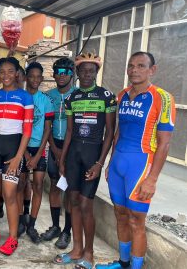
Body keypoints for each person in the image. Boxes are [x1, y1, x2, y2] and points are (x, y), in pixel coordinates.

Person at [96, 52, 176, 269]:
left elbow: (165, 143)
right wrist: (111, 162)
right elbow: (118, 132)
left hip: (140, 165)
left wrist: (152, 179)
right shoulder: (121, 95)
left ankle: (136, 267)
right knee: (120, 215)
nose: (134, 70)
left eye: (141, 66)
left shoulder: (162, 98)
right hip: (118, 164)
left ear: (152, 70)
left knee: (136, 220)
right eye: (131, 66)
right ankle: (123, 263)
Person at [53, 52, 116, 269]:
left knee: (86, 204)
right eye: (83, 70)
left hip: (92, 156)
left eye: (91, 70)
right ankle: (77, 248)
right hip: (73, 157)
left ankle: (89, 253)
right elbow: (69, 131)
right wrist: (62, 160)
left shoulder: (107, 96)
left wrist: (100, 163)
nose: (87, 74)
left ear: (97, 72)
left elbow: (109, 133)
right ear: (77, 73)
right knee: (73, 202)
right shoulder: (72, 98)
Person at [0, 57, 34, 256]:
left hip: (14, 149)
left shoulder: (25, 97)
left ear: (17, 73)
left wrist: (18, 157)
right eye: (2, 71)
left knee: (10, 194)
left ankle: (12, 238)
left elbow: (27, 131)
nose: (5, 75)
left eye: (10, 71)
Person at [17, 62, 55, 243]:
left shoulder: (46, 100)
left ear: (41, 78)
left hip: (39, 148)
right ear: (25, 77)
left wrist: (38, 154)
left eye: (37, 76)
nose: (34, 79)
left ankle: (31, 224)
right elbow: (17, 128)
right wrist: (25, 154)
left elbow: (47, 130)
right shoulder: (20, 98)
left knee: (38, 184)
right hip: (21, 147)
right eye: (30, 76)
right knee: (21, 183)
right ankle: (20, 220)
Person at [44, 57, 76, 249]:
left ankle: (67, 231)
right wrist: (55, 150)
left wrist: (64, 153)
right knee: (55, 186)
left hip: (72, 147)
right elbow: (46, 126)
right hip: (54, 143)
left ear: (72, 74)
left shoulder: (78, 95)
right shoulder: (48, 96)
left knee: (70, 191)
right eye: (58, 72)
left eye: (66, 73)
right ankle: (55, 226)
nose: (61, 76)